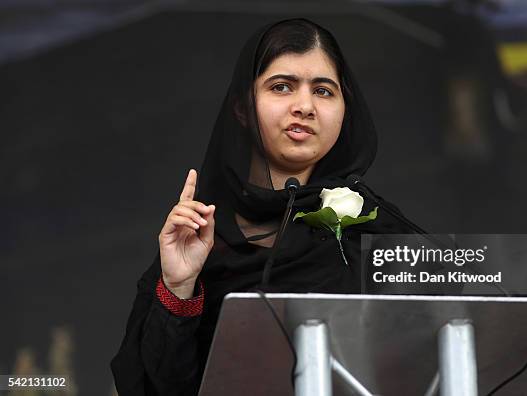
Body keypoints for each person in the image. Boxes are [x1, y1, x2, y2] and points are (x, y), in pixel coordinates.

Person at [111, 18, 415, 395]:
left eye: (323, 91)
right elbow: (153, 387)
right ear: (242, 108)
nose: (304, 106)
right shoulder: (200, 236)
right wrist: (179, 286)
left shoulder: (374, 228)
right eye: (282, 86)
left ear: (344, 111)